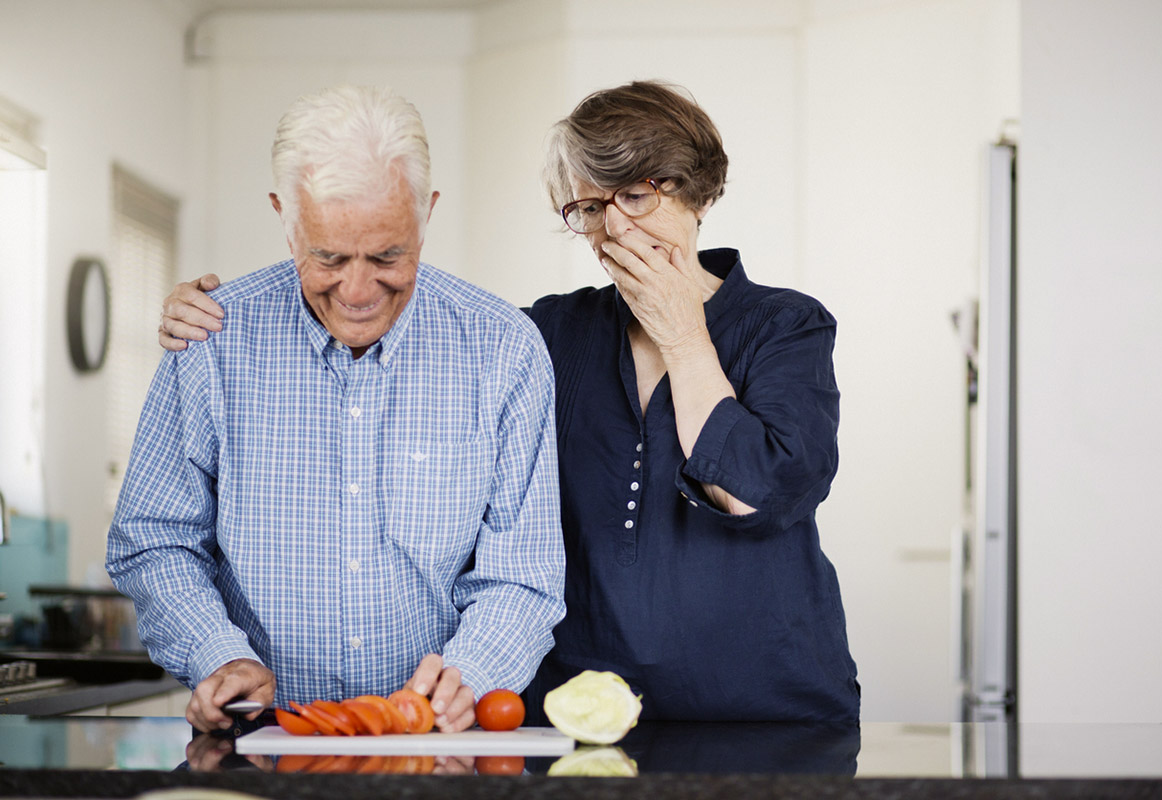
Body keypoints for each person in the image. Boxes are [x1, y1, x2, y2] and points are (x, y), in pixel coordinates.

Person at [159, 80, 858, 722]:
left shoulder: (787, 326)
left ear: (698, 192)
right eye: (588, 208)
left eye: (638, 196)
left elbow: (758, 493)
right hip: (576, 715)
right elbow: (432, 337)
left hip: (768, 706)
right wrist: (206, 314)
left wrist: (682, 336)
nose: (614, 230)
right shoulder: (544, 336)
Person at [109, 85, 565, 735]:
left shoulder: (503, 350)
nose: (356, 292)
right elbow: (156, 538)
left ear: (427, 214)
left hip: (435, 746)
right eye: (327, 257)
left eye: (387, 256)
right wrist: (220, 653)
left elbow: (522, 573)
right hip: (258, 738)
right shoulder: (210, 342)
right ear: (284, 215)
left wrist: (468, 674)